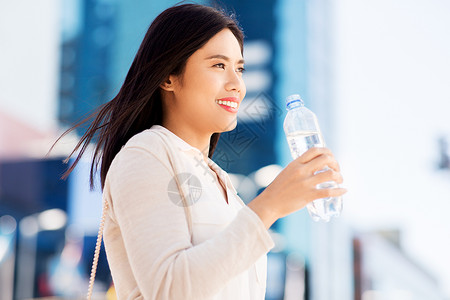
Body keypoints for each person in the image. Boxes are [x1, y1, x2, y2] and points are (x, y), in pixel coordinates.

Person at [53, 3, 346, 299]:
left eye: (239, 69)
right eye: (219, 65)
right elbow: (170, 287)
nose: (237, 85)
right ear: (168, 76)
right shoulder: (145, 154)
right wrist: (270, 205)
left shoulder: (218, 180)